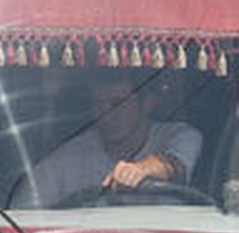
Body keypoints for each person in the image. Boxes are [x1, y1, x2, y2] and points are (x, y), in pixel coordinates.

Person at [16, 70, 202, 207]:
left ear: (148, 104)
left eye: (117, 103)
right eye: (98, 103)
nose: (106, 114)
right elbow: (22, 215)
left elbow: (176, 165)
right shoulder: (67, 159)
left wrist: (141, 169)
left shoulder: (180, 136)